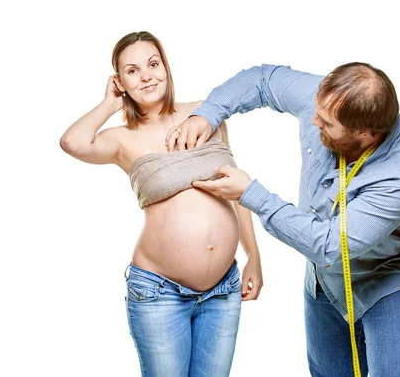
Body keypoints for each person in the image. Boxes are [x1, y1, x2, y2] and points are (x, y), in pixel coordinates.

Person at [166, 63, 400, 377]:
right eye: (317, 109)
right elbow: (263, 80)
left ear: (366, 133)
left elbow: (330, 244)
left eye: (326, 123)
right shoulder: (329, 100)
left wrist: (251, 194)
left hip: (388, 281)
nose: (312, 119)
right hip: (325, 282)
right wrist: (206, 113)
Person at [59, 31, 263, 377]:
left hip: (223, 290)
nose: (146, 76)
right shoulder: (121, 138)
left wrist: (253, 257)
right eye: (132, 71)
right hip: (159, 294)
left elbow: (235, 188)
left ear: (166, 68)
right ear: (120, 81)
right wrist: (109, 104)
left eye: (153, 64)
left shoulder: (205, 114)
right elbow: (71, 142)